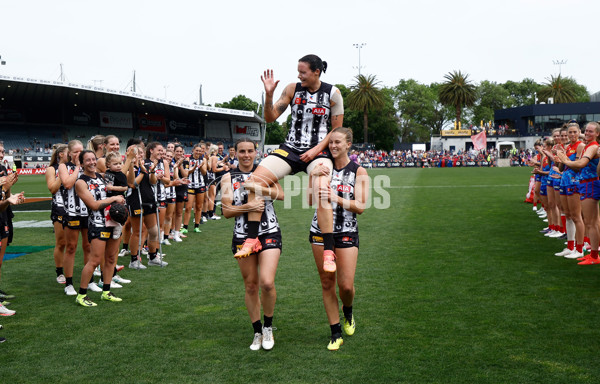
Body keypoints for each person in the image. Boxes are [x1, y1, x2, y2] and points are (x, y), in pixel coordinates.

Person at [236, 54, 344, 266]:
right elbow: (269, 117)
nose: (299, 75)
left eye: (303, 72)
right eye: (298, 71)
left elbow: (336, 130)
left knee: (322, 190)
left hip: (319, 151)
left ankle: (329, 250)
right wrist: (269, 95)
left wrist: (315, 151)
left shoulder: (333, 93)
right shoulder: (292, 89)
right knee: (254, 182)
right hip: (291, 149)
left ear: (316, 72)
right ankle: (252, 239)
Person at [307, 127, 368, 351]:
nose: (333, 146)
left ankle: (348, 311)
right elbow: (309, 201)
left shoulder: (358, 172)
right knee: (326, 283)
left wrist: (335, 197)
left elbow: (360, 206)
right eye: (330, 142)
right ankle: (335, 333)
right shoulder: (324, 168)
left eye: (338, 143)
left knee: (346, 286)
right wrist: (312, 177)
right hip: (319, 233)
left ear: (348, 144)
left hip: (347, 231)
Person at [221, 138, 284, 351]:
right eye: (242, 151)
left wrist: (260, 188)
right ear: (235, 153)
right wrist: (247, 206)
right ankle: (257, 331)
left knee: (267, 282)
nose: (246, 155)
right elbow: (227, 211)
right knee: (251, 285)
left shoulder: (266, 171)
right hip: (241, 235)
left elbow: (281, 195)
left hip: (269, 232)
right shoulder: (228, 177)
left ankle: (268, 327)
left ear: (256, 152)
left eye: (250, 151)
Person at [74, 150, 128, 307]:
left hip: (112, 221)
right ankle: (81, 295)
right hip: (97, 224)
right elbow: (93, 205)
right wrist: (114, 198)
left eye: (93, 159)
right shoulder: (81, 182)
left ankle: (106, 291)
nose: (91, 162)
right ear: (82, 163)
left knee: (111, 258)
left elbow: (122, 179)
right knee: (95, 260)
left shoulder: (101, 177)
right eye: (88, 160)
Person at [557, 122, 600, 264]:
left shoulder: (591, 146)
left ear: (597, 133)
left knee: (589, 222)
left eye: (590, 131)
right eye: (586, 131)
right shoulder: (588, 145)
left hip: (589, 184)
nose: (587, 133)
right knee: (588, 221)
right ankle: (591, 252)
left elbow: (581, 164)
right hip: (585, 183)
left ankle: (591, 254)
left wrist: (565, 160)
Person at [58, 140, 93, 296]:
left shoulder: (89, 168)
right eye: (76, 152)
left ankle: (90, 281)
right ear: (70, 154)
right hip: (72, 212)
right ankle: (69, 283)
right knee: (71, 247)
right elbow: (67, 184)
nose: (79, 154)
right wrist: (78, 167)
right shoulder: (64, 167)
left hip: (88, 212)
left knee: (88, 247)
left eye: (81, 151)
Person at [556, 122, 585, 259]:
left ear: (579, 132)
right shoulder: (567, 147)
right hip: (564, 181)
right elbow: (562, 168)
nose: (572, 134)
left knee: (576, 216)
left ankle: (579, 249)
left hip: (574, 182)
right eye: (570, 132)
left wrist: (565, 159)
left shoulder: (580, 146)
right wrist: (559, 158)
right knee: (567, 214)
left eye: (575, 132)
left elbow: (578, 167)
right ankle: (570, 246)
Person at [46, 144, 69, 284]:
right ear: (60, 154)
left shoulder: (73, 167)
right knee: (61, 242)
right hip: (59, 208)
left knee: (73, 244)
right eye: (69, 153)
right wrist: (62, 174)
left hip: (74, 209)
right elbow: (53, 189)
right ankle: (60, 272)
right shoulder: (51, 169)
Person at [183, 143, 207, 233]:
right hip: (190, 185)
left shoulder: (203, 159)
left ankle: (196, 226)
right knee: (188, 207)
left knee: (199, 206)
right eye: (196, 150)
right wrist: (192, 169)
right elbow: (186, 173)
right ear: (193, 150)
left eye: (200, 151)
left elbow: (204, 173)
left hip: (200, 185)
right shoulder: (187, 159)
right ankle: (185, 227)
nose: (198, 152)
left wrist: (200, 167)